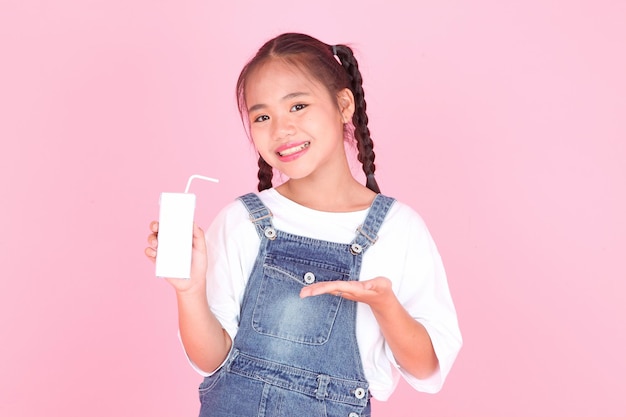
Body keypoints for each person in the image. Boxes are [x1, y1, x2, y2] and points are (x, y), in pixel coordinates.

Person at [145, 32, 462, 417]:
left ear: (343, 104)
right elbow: (212, 360)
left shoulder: (398, 230)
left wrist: (386, 306)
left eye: (298, 106)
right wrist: (190, 290)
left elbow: (427, 370)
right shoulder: (241, 220)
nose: (281, 129)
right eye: (262, 116)